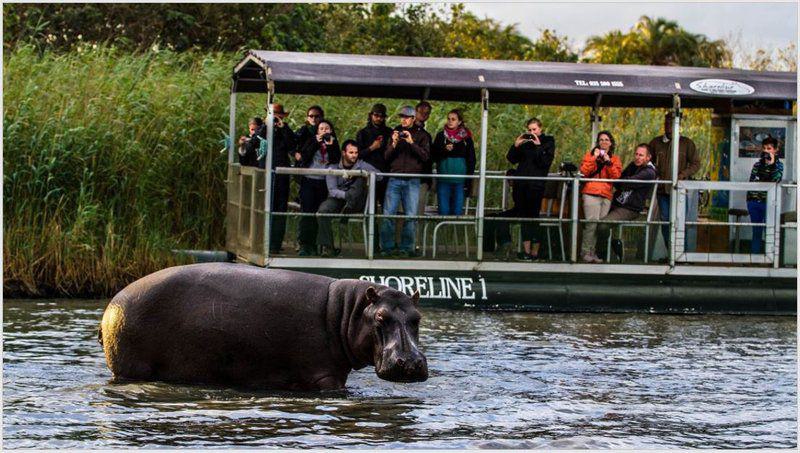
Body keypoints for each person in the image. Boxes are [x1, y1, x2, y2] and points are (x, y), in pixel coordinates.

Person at [485, 118, 555, 261]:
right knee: (521, 215)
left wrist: (538, 145)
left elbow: (544, 162)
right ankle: (521, 250)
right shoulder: (525, 143)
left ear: (540, 129)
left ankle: (532, 253)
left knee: (532, 217)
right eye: (529, 130)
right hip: (521, 185)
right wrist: (516, 145)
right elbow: (512, 159)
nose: (531, 133)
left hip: (536, 185)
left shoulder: (548, 141)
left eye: (534, 130)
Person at [380, 105, 431, 257]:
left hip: (412, 180)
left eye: (406, 117)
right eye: (401, 117)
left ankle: (406, 248)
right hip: (394, 178)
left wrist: (411, 142)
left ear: (413, 119)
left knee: (410, 215)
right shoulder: (394, 132)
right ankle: (387, 248)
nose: (403, 120)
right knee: (388, 214)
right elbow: (386, 157)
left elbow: (425, 157)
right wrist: (394, 143)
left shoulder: (423, 135)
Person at [316, 140, 380, 257]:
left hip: (357, 201)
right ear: (343, 153)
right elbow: (332, 190)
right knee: (323, 211)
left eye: (356, 152)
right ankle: (328, 247)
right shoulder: (334, 166)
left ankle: (374, 249)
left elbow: (379, 176)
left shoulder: (361, 164)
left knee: (361, 178)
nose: (354, 155)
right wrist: (346, 196)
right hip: (339, 198)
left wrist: (361, 173)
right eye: (351, 152)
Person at [596, 143, 658, 261]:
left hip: (630, 208)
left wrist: (622, 181)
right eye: (636, 154)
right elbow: (619, 181)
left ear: (648, 157)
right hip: (617, 202)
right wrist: (620, 180)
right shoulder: (633, 165)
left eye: (641, 155)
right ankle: (597, 252)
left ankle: (602, 255)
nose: (637, 157)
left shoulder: (649, 172)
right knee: (591, 219)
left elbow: (628, 182)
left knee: (603, 225)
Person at [649, 111, 700, 252]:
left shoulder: (686, 143)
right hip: (662, 190)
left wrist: (683, 175)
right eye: (666, 123)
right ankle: (671, 253)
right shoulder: (656, 143)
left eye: (672, 123)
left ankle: (681, 254)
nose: (669, 126)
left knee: (680, 222)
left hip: (679, 190)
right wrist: (655, 175)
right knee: (666, 222)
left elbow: (696, 164)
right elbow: (648, 162)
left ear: (678, 125)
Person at [297, 119, 340, 256]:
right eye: (321, 129)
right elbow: (304, 156)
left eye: (327, 128)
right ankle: (304, 244)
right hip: (309, 180)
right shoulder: (312, 141)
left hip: (324, 182)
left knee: (318, 213)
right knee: (307, 212)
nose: (324, 131)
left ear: (331, 131)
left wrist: (331, 146)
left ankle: (316, 245)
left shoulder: (334, 142)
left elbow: (335, 160)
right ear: (317, 131)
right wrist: (316, 142)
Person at [579, 131, 622, 263]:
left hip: (606, 195)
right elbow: (584, 172)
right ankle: (585, 252)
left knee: (599, 226)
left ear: (611, 143)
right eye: (601, 139)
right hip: (591, 192)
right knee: (591, 223)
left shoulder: (615, 159)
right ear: (598, 142)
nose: (604, 142)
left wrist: (608, 163)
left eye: (606, 140)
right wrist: (594, 158)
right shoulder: (590, 155)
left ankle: (593, 252)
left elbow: (616, 177)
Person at [259, 104, 295, 254]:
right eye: (272, 115)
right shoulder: (263, 129)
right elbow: (257, 140)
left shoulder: (285, 130)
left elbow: (292, 146)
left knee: (280, 209)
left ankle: (275, 244)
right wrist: (266, 125)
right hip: (265, 174)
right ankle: (262, 242)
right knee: (263, 207)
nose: (275, 118)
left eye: (278, 115)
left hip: (281, 176)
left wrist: (283, 127)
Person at [432, 109, 475, 216]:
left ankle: (453, 232)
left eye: (453, 119)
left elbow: (471, 159)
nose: (450, 121)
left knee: (457, 212)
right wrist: (445, 150)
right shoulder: (441, 136)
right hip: (443, 180)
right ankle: (443, 232)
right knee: (443, 211)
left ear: (459, 122)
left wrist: (468, 180)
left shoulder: (466, 138)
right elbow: (433, 156)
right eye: (448, 119)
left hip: (460, 181)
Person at [746, 136, 783, 254]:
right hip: (754, 201)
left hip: (769, 202)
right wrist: (764, 166)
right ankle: (754, 258)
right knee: (756, 231)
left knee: (770, 230)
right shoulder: (757, 165)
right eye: (764, 148)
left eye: (769, 148)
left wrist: (771, 165)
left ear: (775, 150)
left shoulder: (779, 165)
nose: (766, 151)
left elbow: (775, 180)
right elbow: (753, 181)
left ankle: (770, 259)